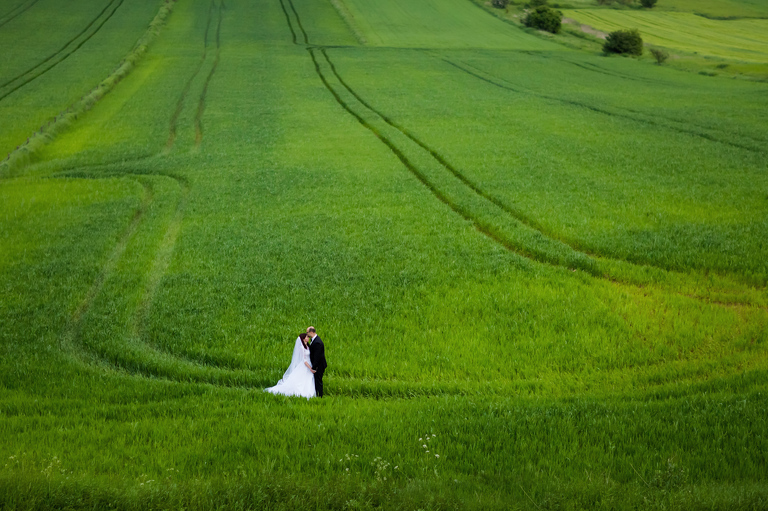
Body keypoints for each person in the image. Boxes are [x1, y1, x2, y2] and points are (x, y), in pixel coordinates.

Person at [264, 333, 316, 399]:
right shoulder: (302, 348)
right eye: (307, 337)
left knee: (309, 379)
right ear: (303, 339)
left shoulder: (308, 346)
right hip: (305, 365)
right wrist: (310, 368)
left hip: (309, 363)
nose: (308, 338)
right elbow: (304, 360)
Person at [307, 326, 327, 397]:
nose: (307, 334)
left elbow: (317, 357)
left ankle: (320, 395)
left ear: (311, 332)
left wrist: (314, 368)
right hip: (318, 365)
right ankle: (317, 394)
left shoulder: (317, 342)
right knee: (316, 380)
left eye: (307, 332)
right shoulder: (314, 340)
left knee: (318, 381)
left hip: (319, 366)